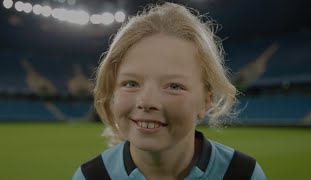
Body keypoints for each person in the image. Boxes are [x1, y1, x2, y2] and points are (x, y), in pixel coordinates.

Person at [72, 2, 267, 180]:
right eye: (131, 83)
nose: (147, 101)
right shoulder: (91, 177)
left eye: (174, 86)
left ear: (206, 101)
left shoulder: (242, 174)